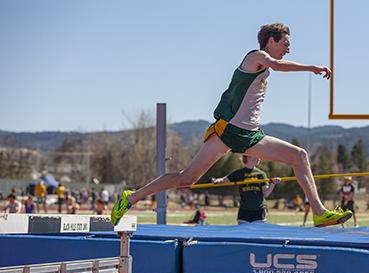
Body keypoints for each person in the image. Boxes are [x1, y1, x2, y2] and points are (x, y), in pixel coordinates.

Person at [111, 23, 352, 227]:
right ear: (271, 40)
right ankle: (131, 198)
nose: (288, 48)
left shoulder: (265, 67)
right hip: (228, 131)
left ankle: (319, 214)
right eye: (285, 44)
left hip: (250, 135)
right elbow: (277, 65)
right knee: (186, 179)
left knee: (300, 156)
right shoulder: (256, 57)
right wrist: (312, 68)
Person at [212, 155, 280, 224]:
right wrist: (217, 180)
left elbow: (265, 194)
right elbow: (224, 179)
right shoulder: (239, 173)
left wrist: (273, 184)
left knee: (258, 234)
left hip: (259, 210)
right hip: (244, 210)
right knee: (242, 233)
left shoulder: (261, 174)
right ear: (248, 157)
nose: (259, 158)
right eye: (256, 156)